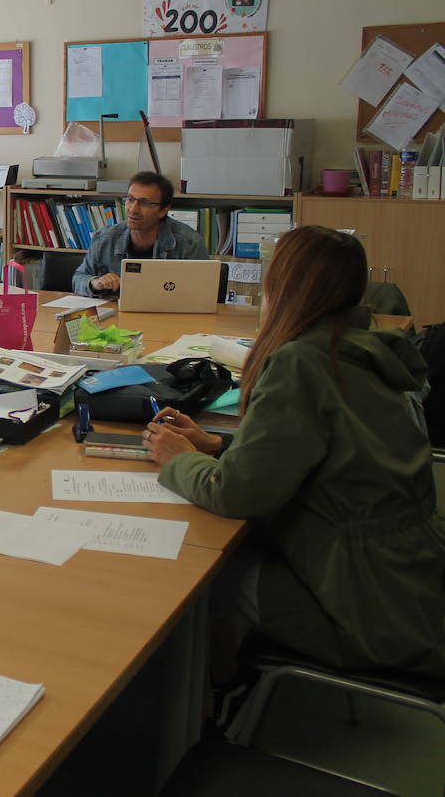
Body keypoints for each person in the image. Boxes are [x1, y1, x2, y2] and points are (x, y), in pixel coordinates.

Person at [143, 226, 445, 679]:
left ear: (284, 287)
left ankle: (208, 705)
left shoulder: (301, 362)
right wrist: (221, 444)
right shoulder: (365, 347)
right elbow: (327, 452)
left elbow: (236, 495)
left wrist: (179, 459)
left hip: (361, 610)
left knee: (199, 563)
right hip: (406, 585)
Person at [72, 171, 208, 297]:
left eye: (144, 203)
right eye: (130, 199)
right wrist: (94, 283)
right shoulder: (104, 238)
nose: (133, 209)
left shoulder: (189, 243)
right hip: (119, 316)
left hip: (169, 317)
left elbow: (204, 291)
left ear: (163, 210)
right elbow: (78, 278)